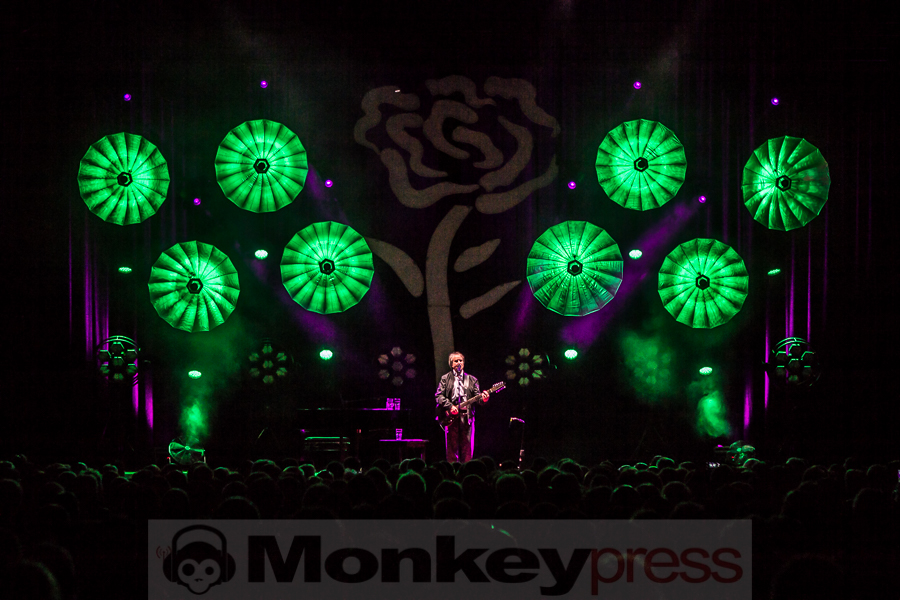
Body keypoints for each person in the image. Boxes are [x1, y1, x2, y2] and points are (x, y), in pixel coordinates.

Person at [435, 352, 489, 463]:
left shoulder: (472, 379)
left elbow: (477, 397)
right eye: (456, 361)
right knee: (451, 449)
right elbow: (438, 396)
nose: (459, 363)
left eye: (461, 360)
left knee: (467, 448)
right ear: (451, 364)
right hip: (451, 417)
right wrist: (450, 406)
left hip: (467, 417)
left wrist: (484, 399)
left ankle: (466, 472)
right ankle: (452, 472)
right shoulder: (445, 378)